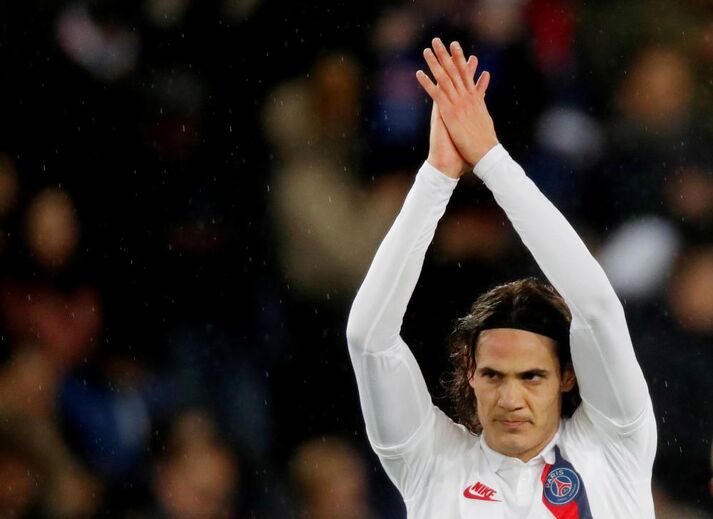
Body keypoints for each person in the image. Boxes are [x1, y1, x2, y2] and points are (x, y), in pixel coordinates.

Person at [346, 38, 656, 518]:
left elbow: (597, 309)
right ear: (470, 373)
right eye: (493, 375)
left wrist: (491, 159)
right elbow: (368, 339)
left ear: (567, 376)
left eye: (532, 377)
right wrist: (437, 176)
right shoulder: (430, 463)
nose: (511, 399)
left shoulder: (614, 446)